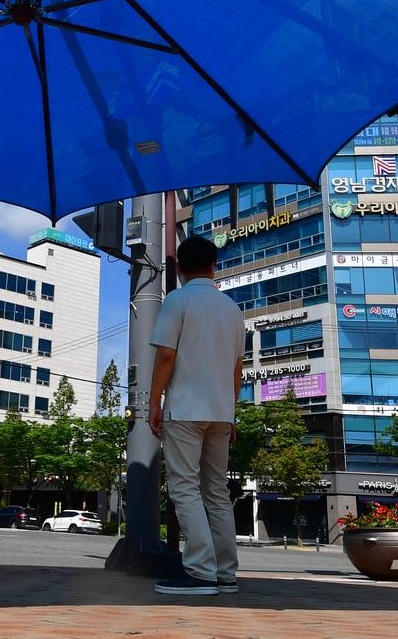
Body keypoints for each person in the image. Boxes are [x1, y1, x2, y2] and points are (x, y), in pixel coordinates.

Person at [147, 234, 245, 596]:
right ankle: (225, 572)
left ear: (180, 269)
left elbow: (166, 356)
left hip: (185, 409)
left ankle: (200, 570)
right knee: (216, 492)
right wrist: (232, 413)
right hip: (222, 412)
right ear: (213, 266)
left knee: (185, 488)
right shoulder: (232, 310)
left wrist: (153, 402)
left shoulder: (178, 300)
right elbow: (238, 368)